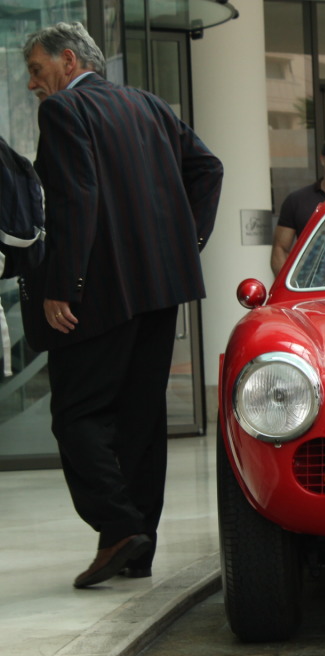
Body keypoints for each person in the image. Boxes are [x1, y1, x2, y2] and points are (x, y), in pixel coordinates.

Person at [22, 22, 223, 588]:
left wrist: (64, 283)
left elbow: (77, 197)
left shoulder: (64, 112)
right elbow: (208, 169)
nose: (33, 84)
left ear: (66, 60)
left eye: (37, 70)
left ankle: (117, 527)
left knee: (76, 415)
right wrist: (187, 244)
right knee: (140, 420)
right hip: (162, 290)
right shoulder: (149, 105)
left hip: (99, 294)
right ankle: (136, 550)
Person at [270, 136, 325, 276]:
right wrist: (288, 288)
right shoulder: (296, 200)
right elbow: (280, 249)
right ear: (322, 159)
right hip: (309, 289)